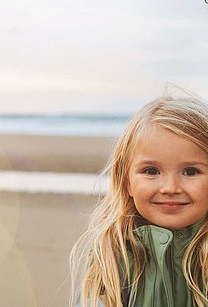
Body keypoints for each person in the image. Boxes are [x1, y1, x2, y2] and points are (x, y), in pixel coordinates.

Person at [69, 85, 208, 307]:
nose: (170, 188)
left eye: (190, 171)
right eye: (151, 171)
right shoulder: (114, 250)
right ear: (127, 183)